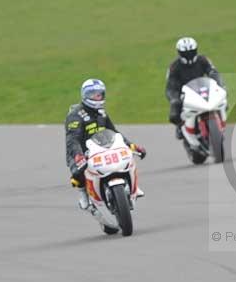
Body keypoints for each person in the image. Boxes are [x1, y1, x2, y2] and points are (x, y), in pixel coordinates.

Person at [65, 78, 146, 210]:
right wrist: (78, 155)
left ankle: (133, 187)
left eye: (100, 94)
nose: (98, 97)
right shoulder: (75, 116)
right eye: (94, 94)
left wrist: (132, 145)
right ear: (85, 95)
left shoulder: (102, 113)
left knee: (128, 157)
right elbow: (72, 140)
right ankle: (83, 195)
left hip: (103, 148)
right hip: (81, 152)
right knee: (77, 174)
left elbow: (114, 132)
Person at [165, 37, 226, 140]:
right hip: (183, 93)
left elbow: (213, 72)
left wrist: (219, 84)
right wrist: (174, 98)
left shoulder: (203, 60)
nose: (189, 55)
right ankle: (180, 126)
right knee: (175, 109)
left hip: (202, 88)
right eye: (186, 53)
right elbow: (171, 85)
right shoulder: (174, 67)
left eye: (191, 52)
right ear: (180, 53)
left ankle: (220, 121)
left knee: (222, 98)